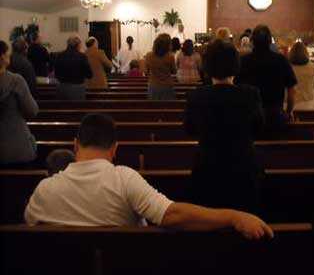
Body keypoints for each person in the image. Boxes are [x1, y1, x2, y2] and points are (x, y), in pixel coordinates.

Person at [25, 114, 273, 241]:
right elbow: (172, 215)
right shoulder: (123, 178)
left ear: (75, 144)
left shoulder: (44, 189)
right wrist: (233, 216)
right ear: (115, 148)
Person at [185, 40, 264, 212]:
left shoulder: (196, 96)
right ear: (236, 65)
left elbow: (189, 129)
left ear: (207, 66)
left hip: (207, 168)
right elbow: (259, 129)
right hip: (243, 169)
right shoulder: (250, 94)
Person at [237, 25, 297, 130]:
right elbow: (291, 90)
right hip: (275, 116)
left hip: (249, 115)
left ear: (252, 41)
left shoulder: (243, 61)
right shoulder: (281, 60)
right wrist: (288, 112)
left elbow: (236, 88)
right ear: (270, 41)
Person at [0, 40, 39, 166]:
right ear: (2, 57)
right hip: (15, 148)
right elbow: (32, 111)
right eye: (7, 53)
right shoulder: (15, 81)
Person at [54, 36, 93, 100]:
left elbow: (56, 74)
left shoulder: (60, 56)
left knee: (63, 108)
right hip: (78, 88)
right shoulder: (82, 57)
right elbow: (89, 75)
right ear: (78, 45)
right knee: (78, 108)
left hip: (63, 88)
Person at [289, 41, 314, 110]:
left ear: (291, 53)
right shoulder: (313, 66)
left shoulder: (287, 67)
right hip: (310, 103)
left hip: (291, 103)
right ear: (306, 53)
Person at [145, 34, 177, 100]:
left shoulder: (148, 55)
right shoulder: (170, 57)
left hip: (153, 85)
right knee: (167, 107)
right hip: (167, 85)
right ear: (167, 45)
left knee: (153, 107)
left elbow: (146, 71)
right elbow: (174, 71)